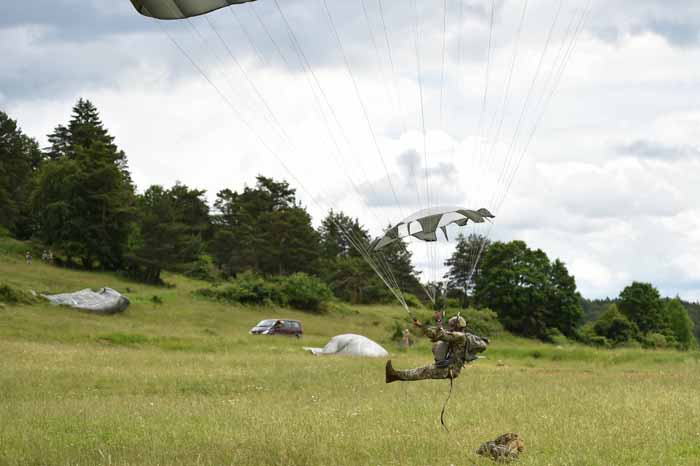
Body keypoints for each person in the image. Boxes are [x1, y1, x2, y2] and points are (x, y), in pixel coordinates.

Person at [385, 313, 489, 383]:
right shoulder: (458, 335)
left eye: (451, 326)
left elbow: (440, 335)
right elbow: (436, 334)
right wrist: (421, 326)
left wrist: (439, 321)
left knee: (421, 372)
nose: (450, 328)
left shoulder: (459, 337)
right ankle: (394, 375)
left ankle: (394, 375)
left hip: (449, 369)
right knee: (422, 371)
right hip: (447, 367)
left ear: (456, 326)